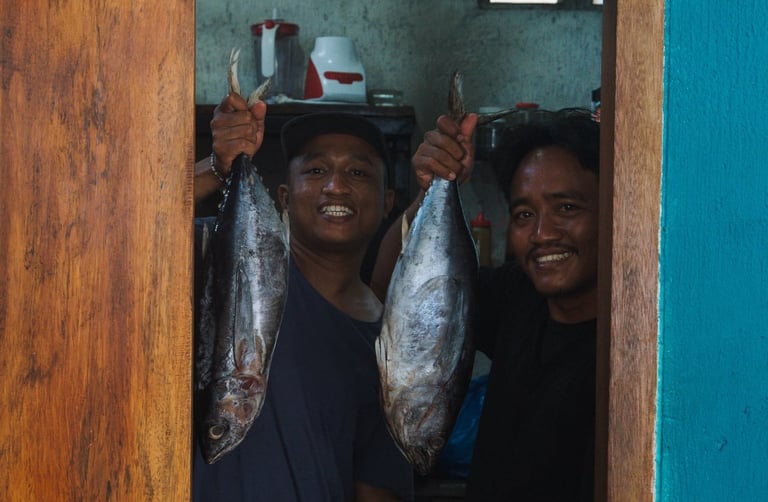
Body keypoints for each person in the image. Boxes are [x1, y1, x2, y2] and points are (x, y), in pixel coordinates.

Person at [192, 91, 415, 502]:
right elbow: (130, 223)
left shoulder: (396, 345)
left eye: (359, 173)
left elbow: (377, 487)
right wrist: (219, 166)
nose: (336, 187)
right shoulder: (223, 256)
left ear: (387, 204)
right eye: (315, 170)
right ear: (283, 198)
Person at [371, 109, 599, 501]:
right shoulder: (517, 296)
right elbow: (389, 293)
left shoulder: (633, 343)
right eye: (525, 214)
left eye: (567, 209)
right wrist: (430, 192)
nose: (542, 234)